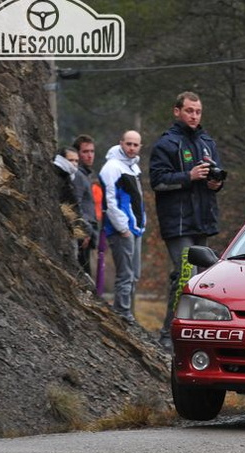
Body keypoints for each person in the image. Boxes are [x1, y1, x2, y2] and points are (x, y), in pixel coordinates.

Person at [149, 91, 224, 349]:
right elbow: (157, 181)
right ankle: (168, 337)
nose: (194, 115)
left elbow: (216, 179)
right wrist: (188, 176)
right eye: (189, 110)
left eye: (198, 111)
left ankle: (194, 332)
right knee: (185, 274)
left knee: (201, 280)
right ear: (177, 111)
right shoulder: (166, 144)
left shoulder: (207, 142)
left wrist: (215, 183)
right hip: (177, 223)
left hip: (202, 220)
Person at [99, 131, 146, 324]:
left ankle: (126, 312)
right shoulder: (112, 167)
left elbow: (137, 198)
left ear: (140, 147)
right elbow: (110, 201)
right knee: (125, 273)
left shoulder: (133, 167)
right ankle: (122, 313)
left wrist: (142, 222)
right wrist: (122, 227)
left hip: (135, 228)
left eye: (136, 145)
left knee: (134, 274)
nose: (132, 148)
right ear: (121, 143)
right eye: (129, 144)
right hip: (121, 230)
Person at [72, 134, 99, 280]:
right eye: (85, 152)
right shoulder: (78, 176)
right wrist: (84, 231)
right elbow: (76, 204)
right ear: (78, 154)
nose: (89, 155)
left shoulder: (86, 175)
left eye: (92, 151)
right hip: (83, 234)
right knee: (84, 275)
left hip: (89, 232)